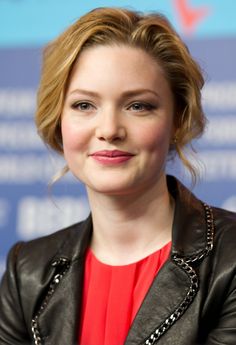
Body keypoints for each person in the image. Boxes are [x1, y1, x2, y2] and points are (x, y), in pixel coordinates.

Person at [0, 7, 235, 345]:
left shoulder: (230, 258)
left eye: (138, 105)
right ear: (58, 119)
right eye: (84, 105)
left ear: (177, 120)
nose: (109, 130)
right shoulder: (27, 271)